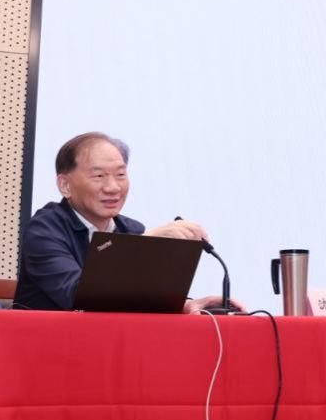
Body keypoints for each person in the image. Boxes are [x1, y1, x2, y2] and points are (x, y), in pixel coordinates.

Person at [14, 132, 232, 312]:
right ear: (65, 185)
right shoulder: (44, 230)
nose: (113, 187)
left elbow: (142, 298)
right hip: (47, 345)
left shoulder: (130, 229)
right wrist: (144, 243)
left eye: (120, 175)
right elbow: (78, 297)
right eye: (99, 176)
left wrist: (186, 305)